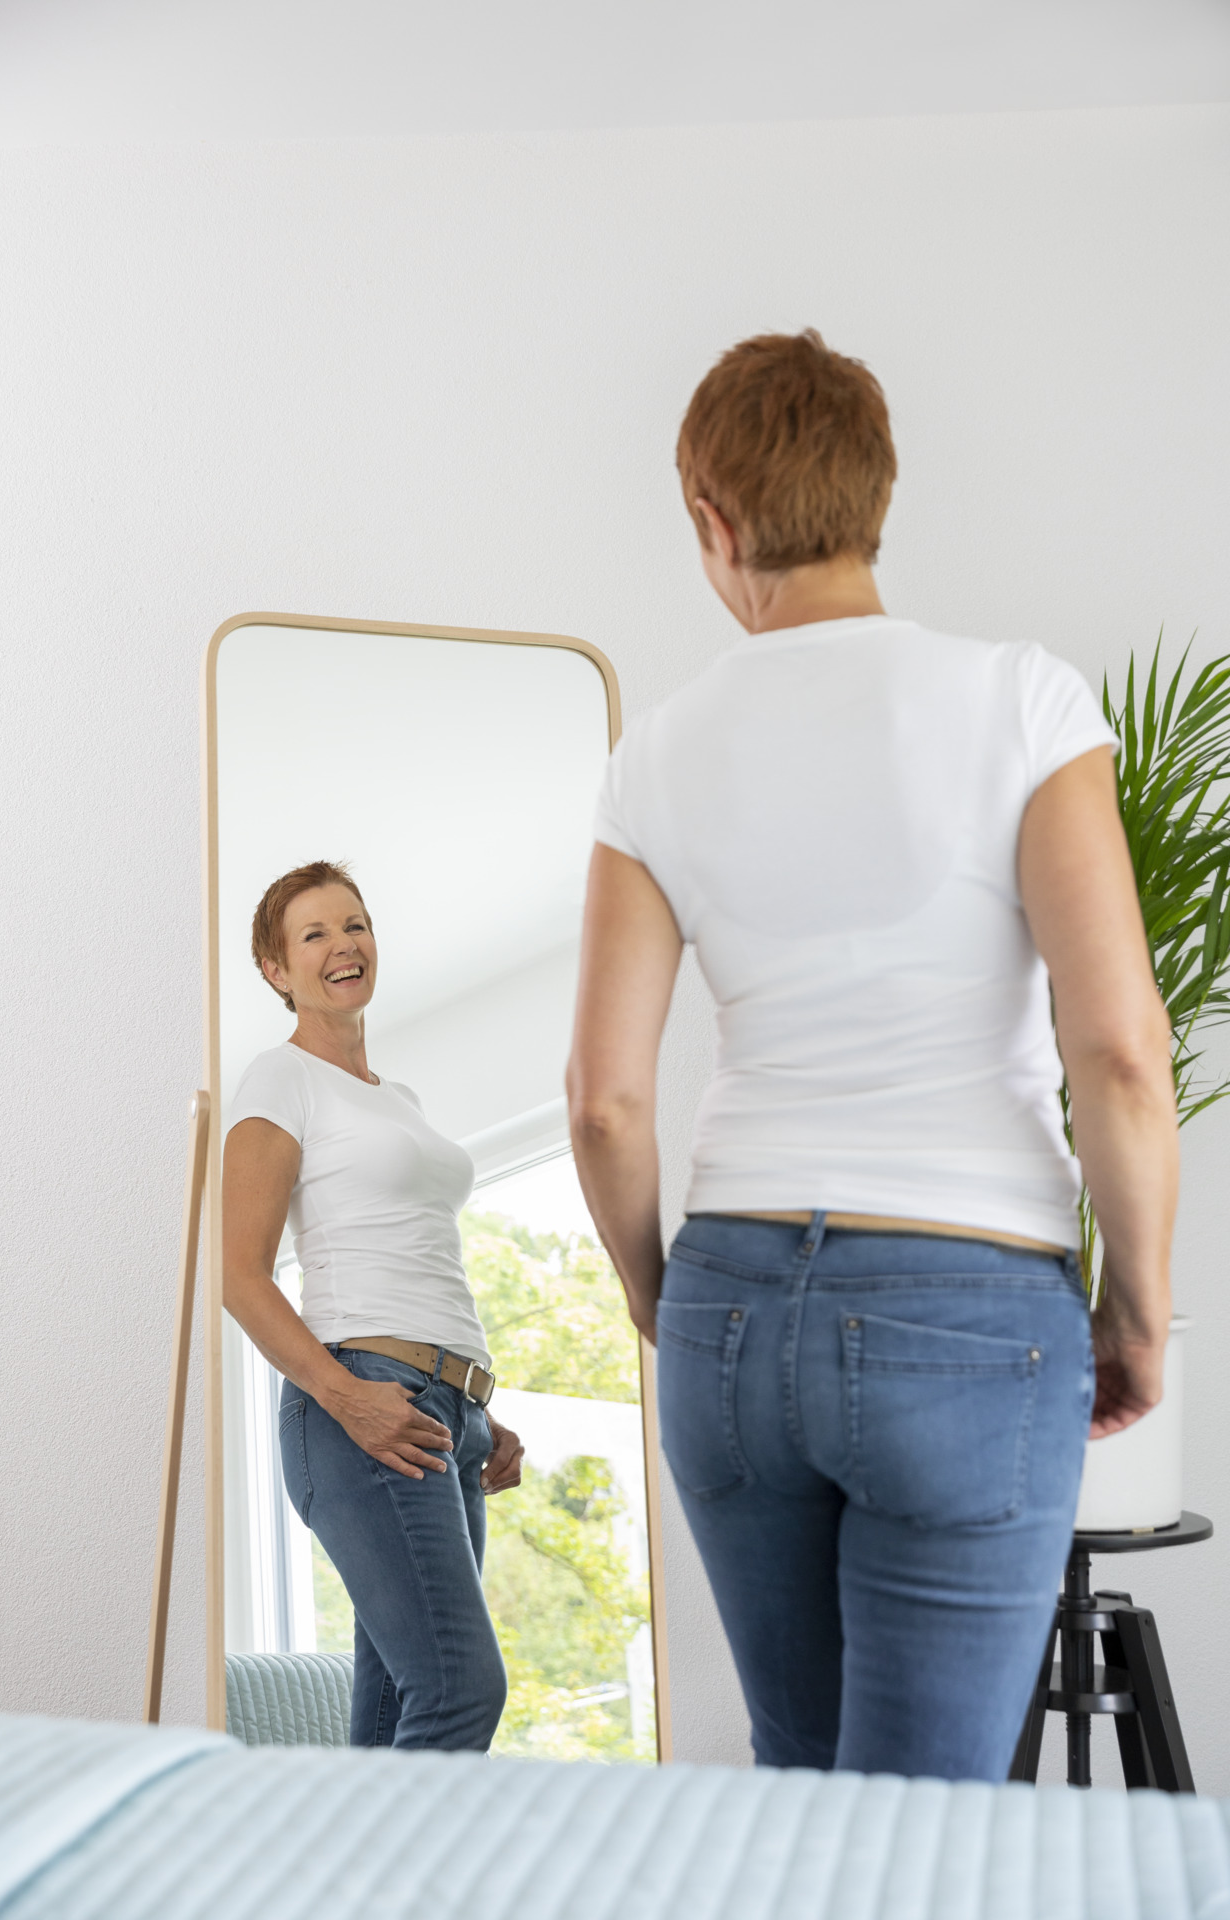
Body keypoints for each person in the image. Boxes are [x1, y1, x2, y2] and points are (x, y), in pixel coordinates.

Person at [566, 330, 1177, 1782]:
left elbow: (604, 1102)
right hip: (967, 1310)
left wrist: (670, 1303)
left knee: (807, 1796)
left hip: (732, 1309)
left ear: (712, 521)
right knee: (932, 1826)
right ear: (877, 492)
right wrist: (1137, 1311)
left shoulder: (655, 753)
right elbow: (1119, 1054)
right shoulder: (1023, 703)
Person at [222, 859, 523, 1750]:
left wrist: (479, 1410)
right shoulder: (279, 1080)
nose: (342, 945)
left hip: (444, 1413)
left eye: (354, 925)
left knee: (399, 1705)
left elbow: (420, 1261)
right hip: (359, 1397)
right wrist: (344, 1395)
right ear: (278, 972)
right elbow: (241, 1275)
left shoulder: (400, 1100)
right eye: (313, 934)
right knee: (461, 1690)